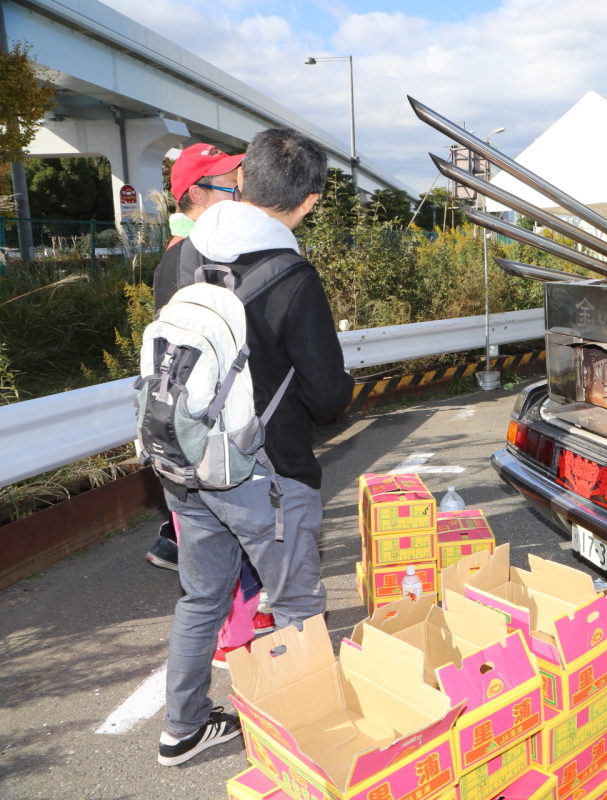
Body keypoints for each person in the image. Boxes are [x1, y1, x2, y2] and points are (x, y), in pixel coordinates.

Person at [157, 128, 353, 767]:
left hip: (185, 465)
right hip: (264, 474)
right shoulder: (292, 276)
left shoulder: (177, 260)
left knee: (201, 598)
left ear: (242, 183)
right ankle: (312, 744)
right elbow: (328, 398)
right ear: (311, 200)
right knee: (296, 605)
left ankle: (182, 729)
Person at [146, 143, 245, 570]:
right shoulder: (186, 258)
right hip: (204, 413)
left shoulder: (196, 248)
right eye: (228, 186)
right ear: (197, 194)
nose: (239, 196)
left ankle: (177, 539)